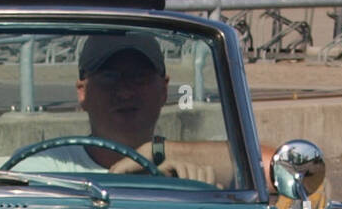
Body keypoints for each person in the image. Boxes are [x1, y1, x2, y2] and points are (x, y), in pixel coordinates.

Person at [17, 31, 226, 184]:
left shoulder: (187, 168)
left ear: (163, 90)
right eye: (109, 77)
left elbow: (257, 164)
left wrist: (158, 153)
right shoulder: (43, 168)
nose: (125, 93)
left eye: (139, 77)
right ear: (82, 93)